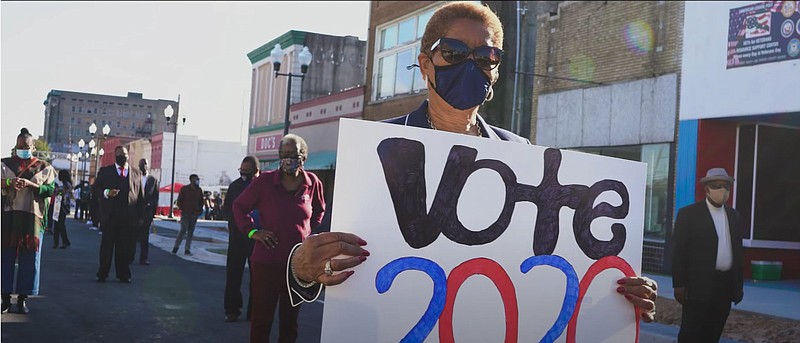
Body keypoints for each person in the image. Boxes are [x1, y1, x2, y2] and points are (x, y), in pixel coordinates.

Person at [284, 1, 659, 323]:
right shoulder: (374, 149)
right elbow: (325, 261)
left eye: (485, 57)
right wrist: (302, 269)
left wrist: (616, 294)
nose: (470, 65)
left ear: (494, 72)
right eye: (453, 52)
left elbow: (540, 270)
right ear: (426, 63)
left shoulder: (521, 153)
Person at [233, 134, 325, 342]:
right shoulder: (264, 182)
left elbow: (319, 212)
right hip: (266, 264)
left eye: (293, 154)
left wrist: (305, 234)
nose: (288, 159)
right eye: (283, 154)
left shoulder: (313, 183)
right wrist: (253, 232)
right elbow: (239, 207)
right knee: (261, 321)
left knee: (290, 323)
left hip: (297, 266)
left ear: (304, 157)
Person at [672, 167, 744, 342]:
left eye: (726, 186)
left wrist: (738, 286)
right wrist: (679, 284)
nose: (722, 190)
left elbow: (738, 252)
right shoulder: (689, 214)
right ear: (707, 189)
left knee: (714, 331)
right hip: (697, 286)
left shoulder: (734, 216)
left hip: (724, 285)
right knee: (691, 332)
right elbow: (679, 250)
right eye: (717, 185)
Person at [1, 128, 56, 314]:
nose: (21, 149)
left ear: (32, 146)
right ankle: (5, 298)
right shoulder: (4, 164)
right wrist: (9, 183)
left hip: (32, 217)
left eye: (25, 146)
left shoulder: (44, 167)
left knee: (30, 258)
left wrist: (33, 185)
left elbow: (50, 189)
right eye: (18, 146)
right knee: (5, 256)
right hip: (8, 215)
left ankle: (23, 299)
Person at [94, 146, 145, 283]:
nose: (123, 157)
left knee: (125, 248)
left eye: (125, 154)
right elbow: (96, 189)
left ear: (128, 156)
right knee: (107, 247)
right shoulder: (105, 172)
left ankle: (123, 274)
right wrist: (106, 193)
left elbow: (140, 196)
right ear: (115, 156)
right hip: (110, 216)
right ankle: (102, 273)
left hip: (128, 217)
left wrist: (141, 216)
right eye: (119, 155)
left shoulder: (136, 173)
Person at [223, 156, 259, 322]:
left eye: (247, 172)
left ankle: (254, 311)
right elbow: (227, 210)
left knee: (258, 278)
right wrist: (236, 224)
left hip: (258, 239)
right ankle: (232, 310)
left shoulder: (264, 187)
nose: (243, 175)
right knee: (233, 275)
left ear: (256, 171)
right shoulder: (235, 186)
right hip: (238, 237)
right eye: (241, 171)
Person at [132, 158, 159, 265]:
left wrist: (151, 207)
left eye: (145, 164)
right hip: (135, 211)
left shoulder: (153, 180)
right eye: (141, 164)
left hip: (147, 212)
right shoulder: (134, 178)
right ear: (139, 166)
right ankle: (130, 256)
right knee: (133, 236)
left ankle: (143, 258)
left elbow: (155, 197)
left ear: (148, 165)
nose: (143, 166)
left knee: (144, 236)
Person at [172, 174, 203, 256]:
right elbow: (179, 201)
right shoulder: (184, 189)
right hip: (185, 213)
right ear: (192, 180)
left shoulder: (199, 190)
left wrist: (198, 211)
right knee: (183, 230)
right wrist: (183, 209)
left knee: (190, 232)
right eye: (196, 179)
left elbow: (201, 202)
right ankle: (176, 247)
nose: (197, 181)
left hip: (194, 214)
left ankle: (187, 249)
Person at [53, 169, 74, 249]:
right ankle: (57, 242)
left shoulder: (66, 184)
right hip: (59, 205)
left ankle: (64, 241)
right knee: (57, 224)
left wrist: (57, 190)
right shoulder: (64, 183)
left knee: (60, 224)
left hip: (63, 206)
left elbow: (61, 192)